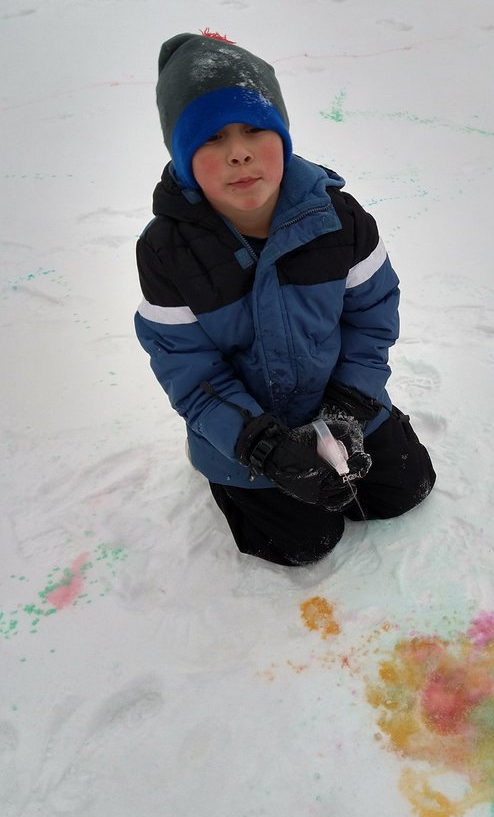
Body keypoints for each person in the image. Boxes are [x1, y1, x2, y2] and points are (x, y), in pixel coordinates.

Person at [134, 30, 435, 566]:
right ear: (183, 158)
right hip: (246, 430)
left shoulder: (338, 221)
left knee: (405, 491)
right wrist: (262, 445)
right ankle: (225, 472)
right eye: (211, 138)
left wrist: (352, 406)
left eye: (254, 129)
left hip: (339, 403)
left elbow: (372, 320)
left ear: (282, 134)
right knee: (302, 544)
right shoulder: (167, 252)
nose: (239, 153)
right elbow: (189, 370)